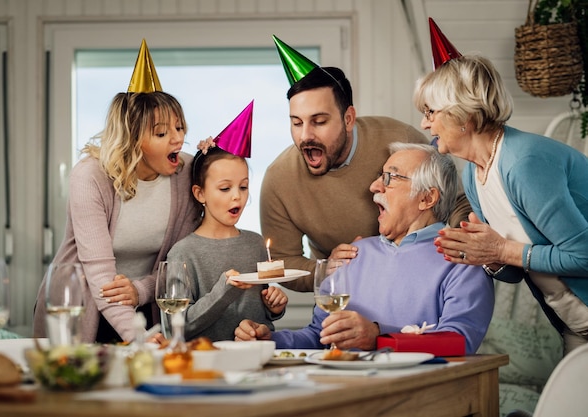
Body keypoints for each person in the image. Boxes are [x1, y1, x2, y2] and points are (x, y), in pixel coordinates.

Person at [414, 23, 588, 354]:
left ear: (462, 116)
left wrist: (501, 251)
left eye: (430, 112)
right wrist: (484, 257)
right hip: (573, 324)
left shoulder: (524, 163)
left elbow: (584, 254)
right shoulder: (474, 176)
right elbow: (516, 272)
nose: (425, 124)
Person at [236, 143, 494, 354]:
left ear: (427, 198)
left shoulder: (463, 261)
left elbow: (458, 342)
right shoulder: (354, 254)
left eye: (390, 178)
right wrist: (269, 342)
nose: (374, 186)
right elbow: (319, 336)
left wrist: (378, 337)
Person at [262, 36, 471, 292]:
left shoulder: (400, 139)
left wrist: (462, 247)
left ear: (348, 118)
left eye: (319, 121)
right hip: (347, 292)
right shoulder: (279, 179)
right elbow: (281, 262)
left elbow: (453, 200)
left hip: (419, 282)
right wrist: (326, 267)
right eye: (296, 122)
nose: (305, 135)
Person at [32, 40, 200, 344]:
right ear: (133, 138)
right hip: (81, 310)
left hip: (147, 308)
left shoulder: (187, 172)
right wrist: (138, 336)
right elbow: (100, 275)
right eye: (162, 133)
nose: (177, 139)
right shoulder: (90, 177)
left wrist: (141, 291)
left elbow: (180, 262)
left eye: (180, 127)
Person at [167, 101, 288, 342]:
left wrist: (274, 308)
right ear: (200, 193)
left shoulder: (255, 244)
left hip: (255, 361)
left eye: (243, 187)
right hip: (205, 365)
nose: (237, 196)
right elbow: (177, 327)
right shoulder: (183, 253)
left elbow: (261, 316)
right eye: (225, 188)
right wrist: (224, 290)